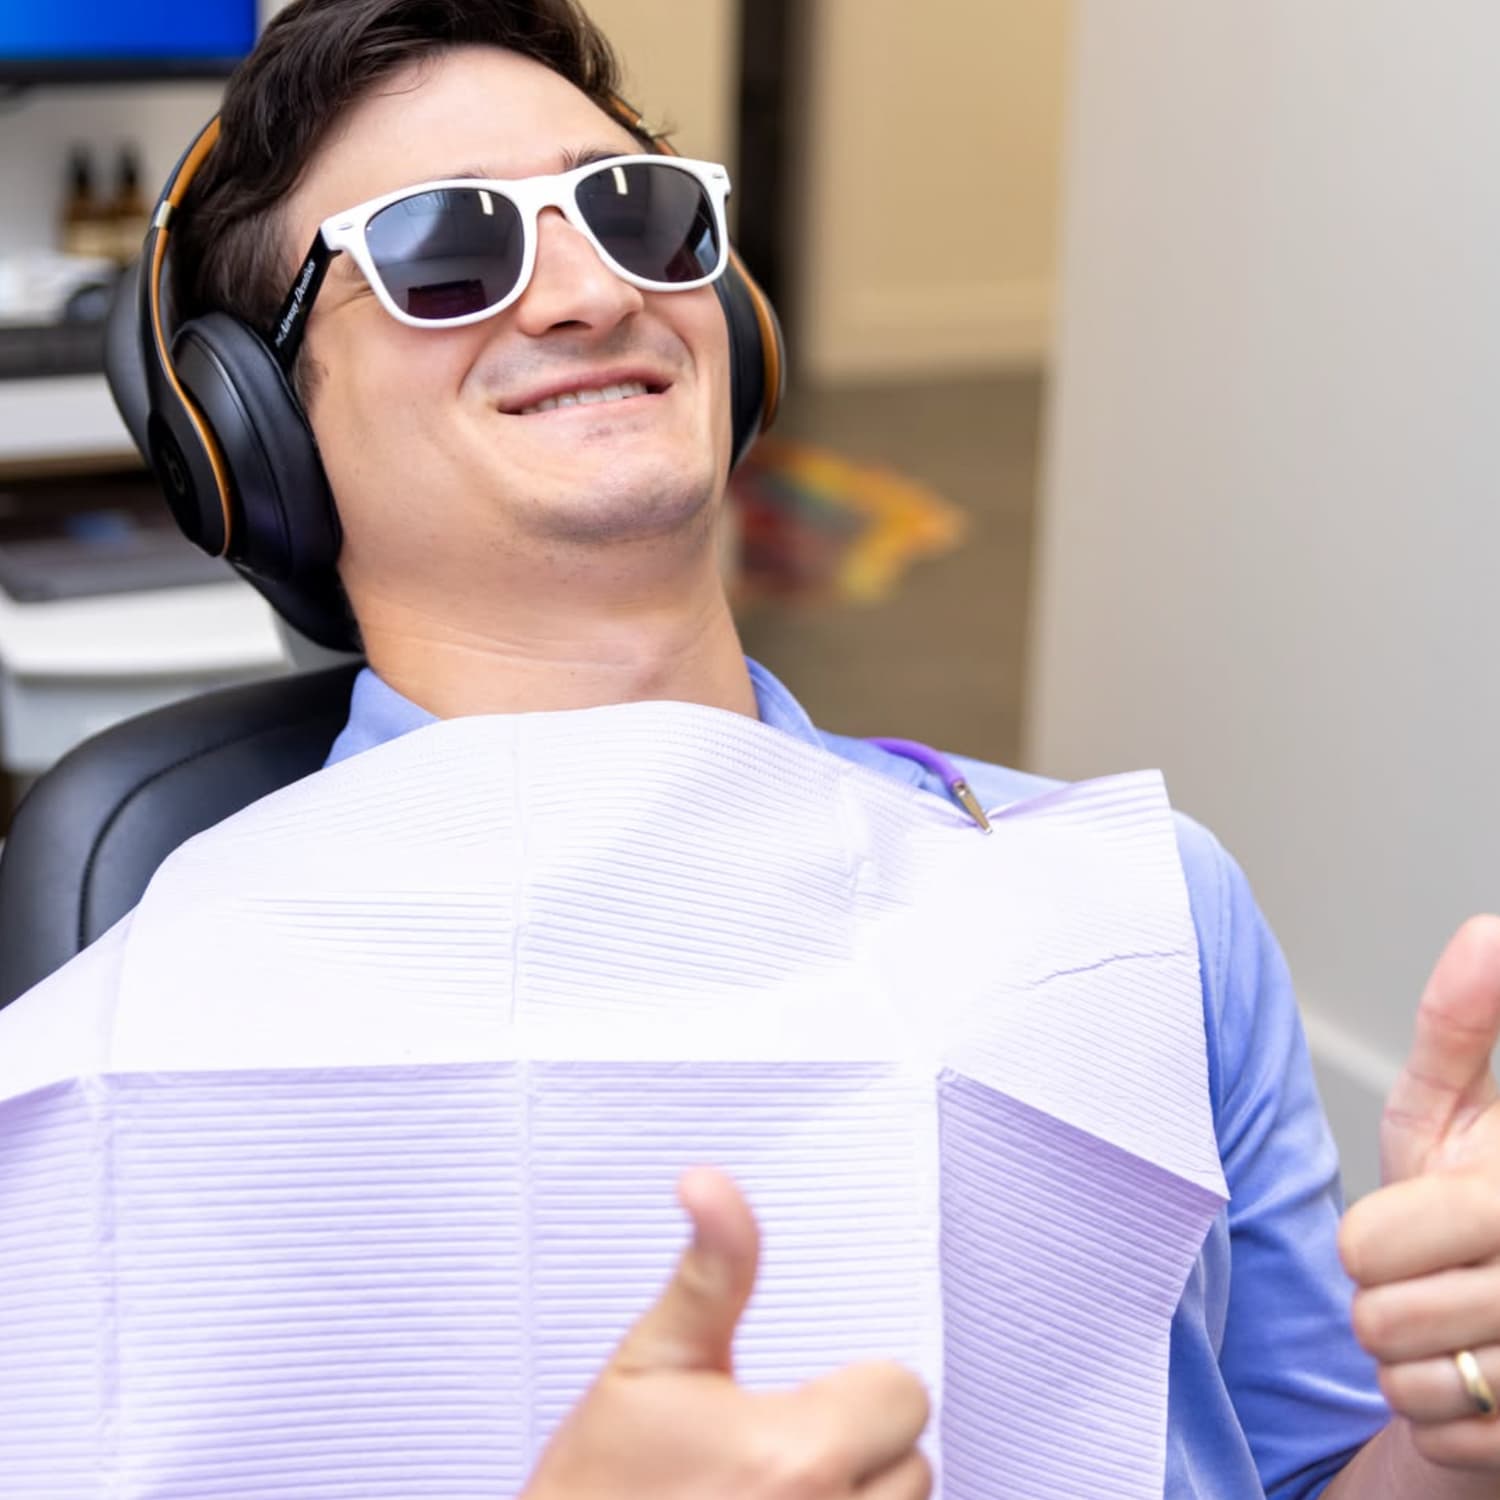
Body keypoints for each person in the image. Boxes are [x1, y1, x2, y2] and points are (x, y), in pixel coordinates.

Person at [4, 1, 1500, 1496]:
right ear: (249, 430)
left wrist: (1462, 1426)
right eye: (449, 252)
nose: (592, 294)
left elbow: (1307, 1477)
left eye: (638, 216)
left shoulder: (1147, 918)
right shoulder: (138, 1062)